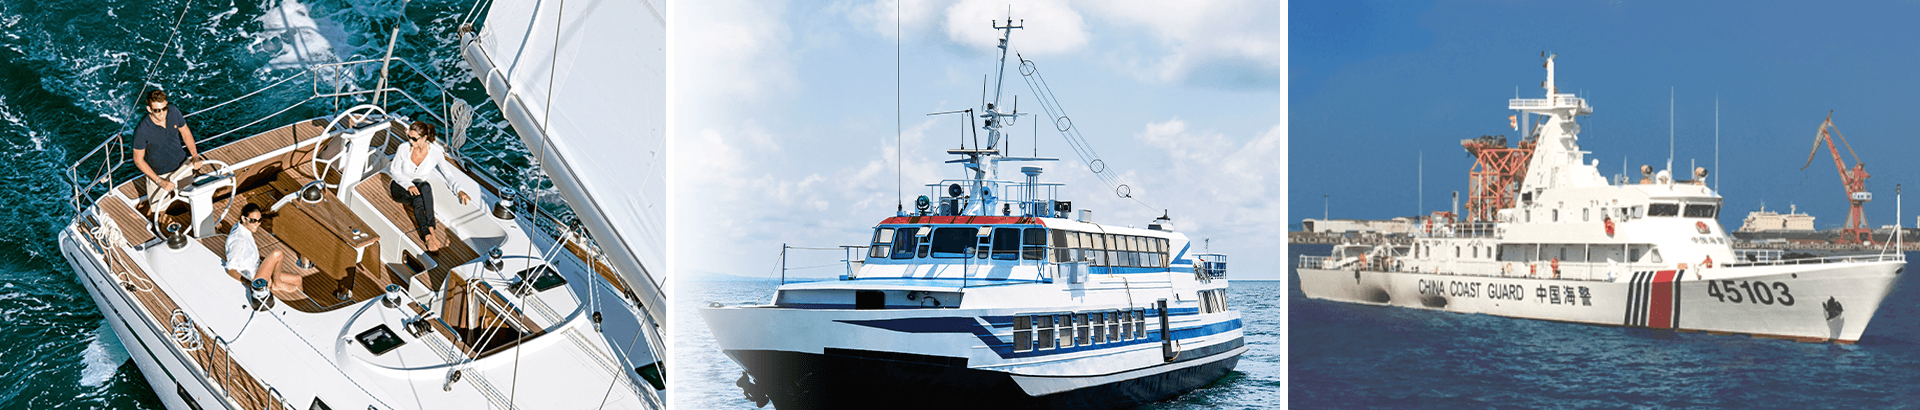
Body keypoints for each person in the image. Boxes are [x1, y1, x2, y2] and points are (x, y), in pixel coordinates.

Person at [388, 122, 470, 252]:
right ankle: (426, 235)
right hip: (399, 186)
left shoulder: (435, 153)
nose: (410, 141)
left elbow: (447, 174)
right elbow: (395, 172)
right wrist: (408, 186)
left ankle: (431, 230)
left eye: (414, 138)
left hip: (419, 186)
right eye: (409, 137)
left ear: (424, 137)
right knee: (418, 199)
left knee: (426, 186)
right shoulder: (403, 148)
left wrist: (459, 191)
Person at [130, 90, 201, 214]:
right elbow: (138, 160)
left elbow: (185, 132)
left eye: (164, 108)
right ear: (149, 109)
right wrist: (159, 181)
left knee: (192, 200)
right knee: (159, 210)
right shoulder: (142, 130)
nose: (162, 113)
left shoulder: (173, 112)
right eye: (157, 110)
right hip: (159, 174)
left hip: (182, 166)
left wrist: (195, 156)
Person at [227, 204, 304, 301]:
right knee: (277, 254)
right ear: (243, 218)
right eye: (253, 221)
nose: (257, 224)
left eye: (259, 220)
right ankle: (277, 283)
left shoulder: (243, 227)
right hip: (254, 279)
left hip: (257, 270)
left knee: (298, 279)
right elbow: (231, 270)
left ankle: (301, 301)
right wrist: (249, 283)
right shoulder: (237, 240)